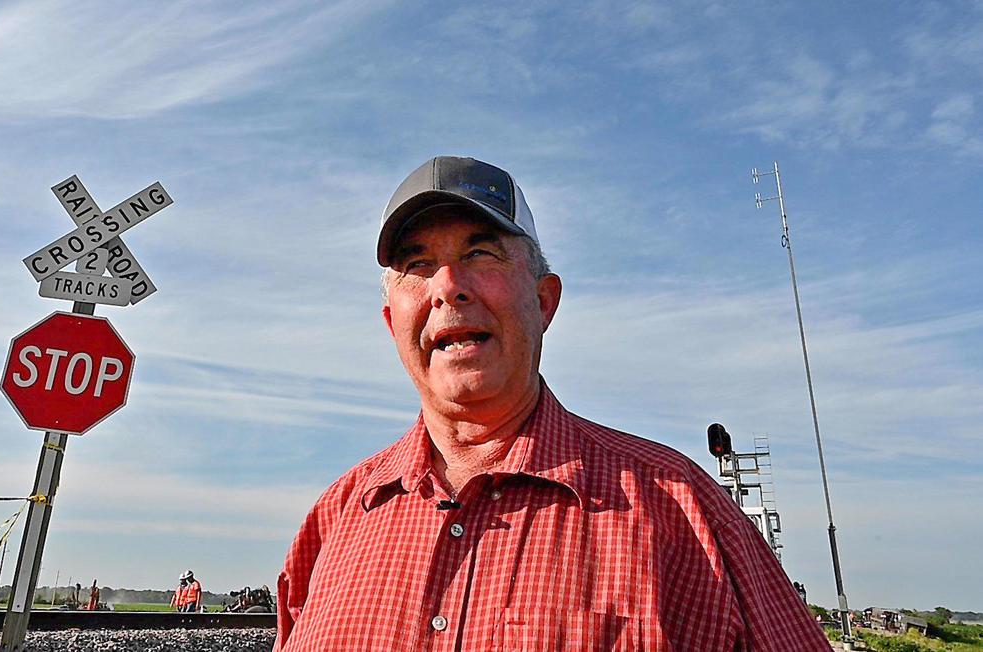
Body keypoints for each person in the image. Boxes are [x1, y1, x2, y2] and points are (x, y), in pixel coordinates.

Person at [273, 156, 832, 651]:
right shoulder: (334, 521)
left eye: (481, 253)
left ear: (544, 301)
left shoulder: (685, 511)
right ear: (392, 322)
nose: (447, 286)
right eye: (417, 265)